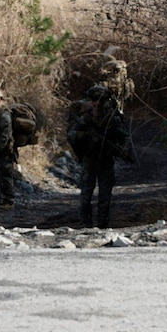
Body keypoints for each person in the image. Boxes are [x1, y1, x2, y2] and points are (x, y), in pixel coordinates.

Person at [66, 84, 131, 228]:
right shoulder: (85, 118)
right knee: (86, 194)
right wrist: (83, 136)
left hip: (106, 160)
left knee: (105, 195)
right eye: (95, 100)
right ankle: (85, 222)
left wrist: (122, 150)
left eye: (101, 100)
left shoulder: (112, 119)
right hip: (89, 160)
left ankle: (102, 223)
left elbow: (125, 137)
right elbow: (71, 135)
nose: (98, 103)